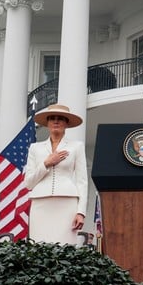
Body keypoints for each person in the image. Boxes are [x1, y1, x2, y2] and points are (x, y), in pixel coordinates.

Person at [24, 103, 88, 244]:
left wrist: (81, 212)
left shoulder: (76, 147)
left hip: (67, 204)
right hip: (40, 203)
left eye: (61, 118)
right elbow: (28, 183)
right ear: (47, 123)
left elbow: (82, 181)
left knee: (65, 247)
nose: (56, 121)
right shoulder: (35, 148)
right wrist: (46, 163)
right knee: (39, 246)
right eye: (52, 118)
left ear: (67, 123)